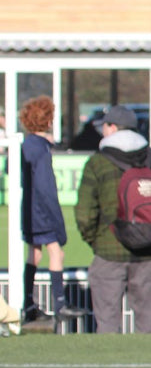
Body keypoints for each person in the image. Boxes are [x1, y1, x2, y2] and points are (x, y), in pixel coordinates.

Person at [74, 105, 151, 334]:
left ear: (112, 127)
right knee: (148, 326)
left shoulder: (97, 163)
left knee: (107, 326)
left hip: (108, 253)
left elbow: (85, 213)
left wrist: (96, 241)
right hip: (148, 253)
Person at [19, 95, 83, 324]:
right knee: (57, 252)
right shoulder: (42, 150)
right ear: (47, 121)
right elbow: (47, 188)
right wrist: (58, 223)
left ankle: (27, 303)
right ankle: (60, 303)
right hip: (41, 211)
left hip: (27, 209)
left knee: (34, 253)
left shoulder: (25, 145)